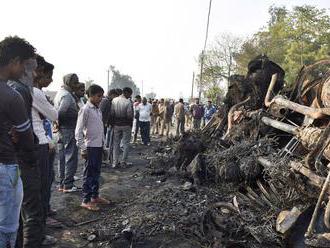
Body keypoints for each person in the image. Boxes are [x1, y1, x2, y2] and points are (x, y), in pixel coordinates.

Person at [0, 36, 37, 248]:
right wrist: (31, 159)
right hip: (6, 167)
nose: (24, 70)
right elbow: (26, 138)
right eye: (23, 64)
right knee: (6, 228)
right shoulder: (11, 96)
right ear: (14, 61)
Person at [31, 55, 58, 245]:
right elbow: (54, 114)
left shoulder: (16, 88)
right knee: (39, 192)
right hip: (39, 145)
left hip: (34, 143)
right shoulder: (35, 92)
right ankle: (37, 236)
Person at [75, 84, 110, 211]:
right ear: (91, 96)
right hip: (90, 146)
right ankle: (86, 199)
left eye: (102, 96)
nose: (101, 98)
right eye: (98, 96)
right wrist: (83, 148)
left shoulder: (97, 110)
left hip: (98, 145)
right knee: (89, 173)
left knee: (96, 172)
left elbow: (100, 130)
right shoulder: (85, 110)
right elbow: (78, 131)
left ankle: (95, 196)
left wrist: (104, 146)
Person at [54, 73, 80, 193]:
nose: (77, 85)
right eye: (75, 82)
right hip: (68, 129)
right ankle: (68, 185)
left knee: (62, 156)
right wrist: (58, 123)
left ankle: (62, 183)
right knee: (70, 157)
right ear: (69, 83)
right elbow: (61, 112)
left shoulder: (60, 93)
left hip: (62, 129)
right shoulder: (67, 96)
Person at [110, 87, 134, 168]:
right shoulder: (128, 102)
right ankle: (123, 162)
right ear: (126, 93)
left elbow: (112, 114)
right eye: (130, 94)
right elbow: (129, 115)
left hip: (116, 125)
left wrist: (113, 124)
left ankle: (115, 162)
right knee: (126, 143)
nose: (130, 96)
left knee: (116, 144)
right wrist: (130, 124)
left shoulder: (114, 100)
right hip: (126, 125)